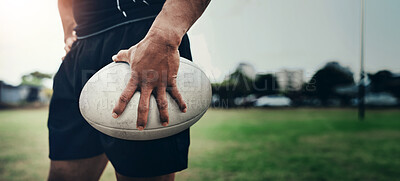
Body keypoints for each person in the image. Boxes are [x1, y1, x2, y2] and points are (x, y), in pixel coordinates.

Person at [47, 0, 210, 180]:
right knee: (63, 174)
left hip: (146, 39)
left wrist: (165, 36)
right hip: (81, 50)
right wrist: (69, 32)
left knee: (142, 174)